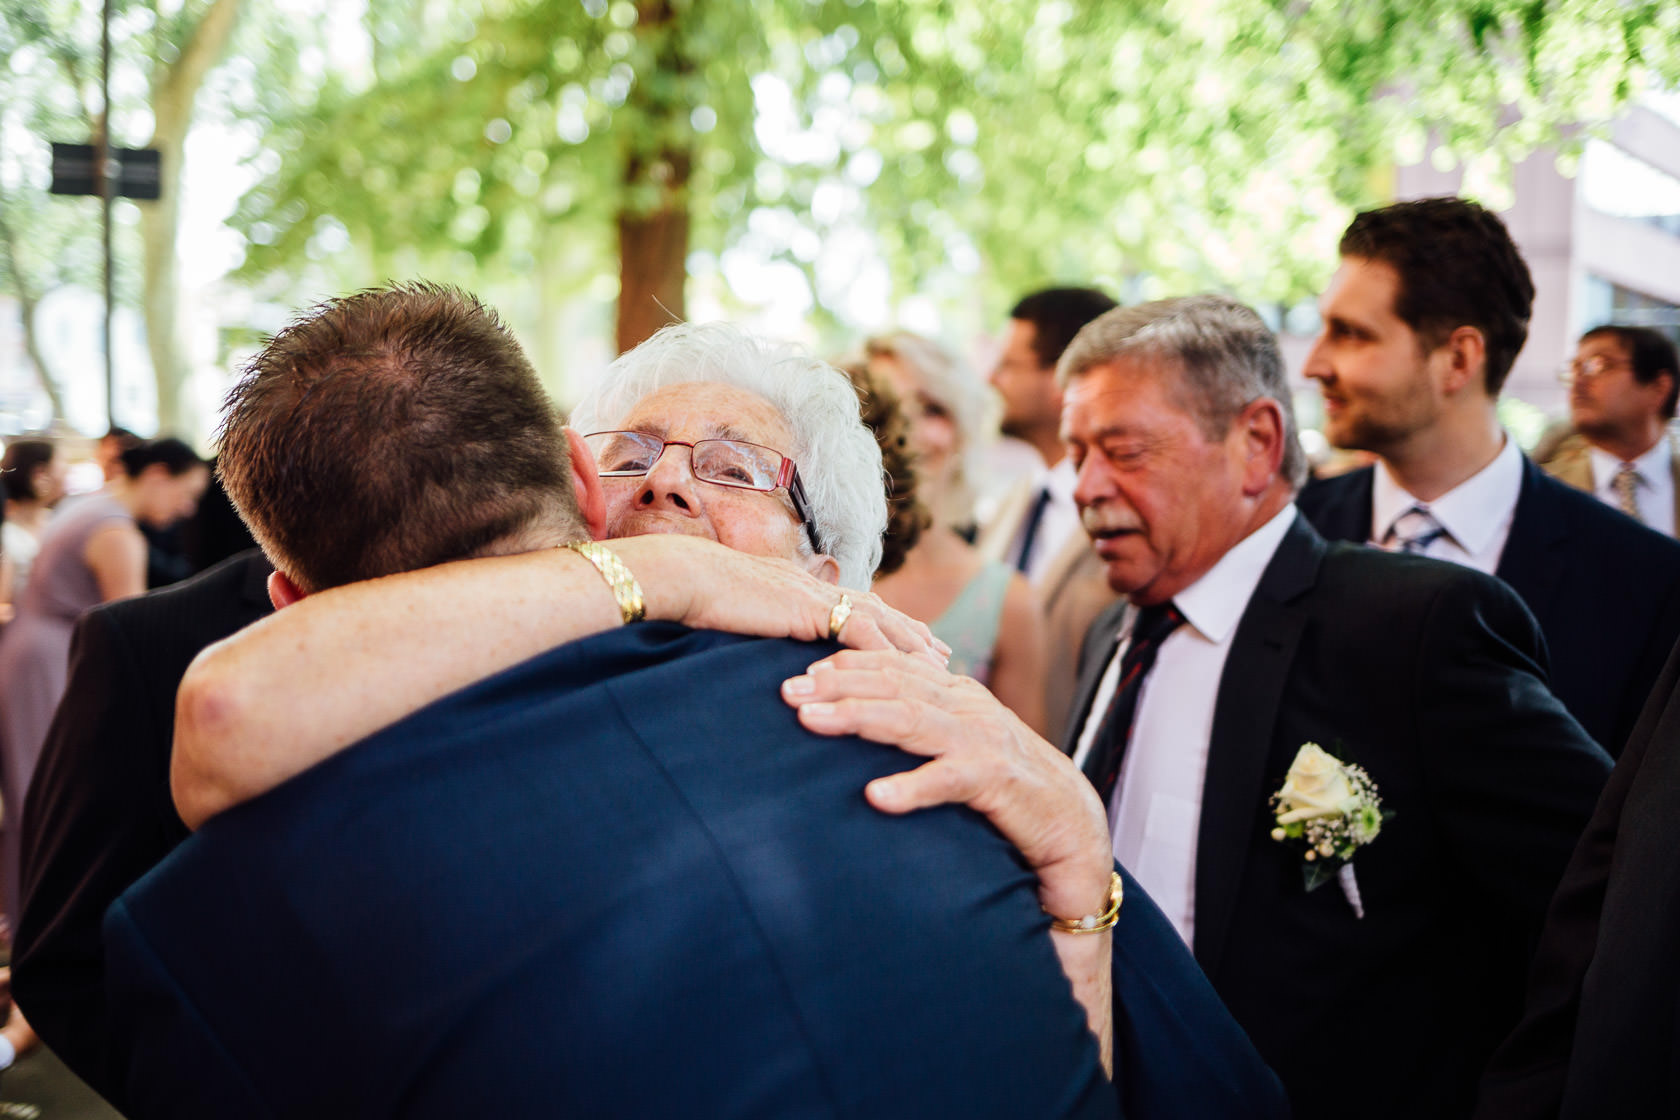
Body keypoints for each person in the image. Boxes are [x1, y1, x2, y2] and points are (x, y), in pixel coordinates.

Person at [159, 289, 1287, 1119]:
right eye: (633, 454)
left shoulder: (947, 752)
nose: (670, 482)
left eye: (738, 469)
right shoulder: (393, 740)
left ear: (830, 580)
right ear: (578, 500)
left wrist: (1082, 873)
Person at [963, 292, 1601, 1119]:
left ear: (1256, 444)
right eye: (1078, 452)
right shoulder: (1111, 632)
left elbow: (1602, 885)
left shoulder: (1413, 628)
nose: (1085, 486)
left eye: (1122, 450)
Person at [1297, 197, 1680, 755]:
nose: (1314, 364)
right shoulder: (1289, 529)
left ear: (1458, 359)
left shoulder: (1644, 581)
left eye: (1352, 333)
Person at [0, 438, 206, 928]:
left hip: (25, 654)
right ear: (158, 475)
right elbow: (134, 631)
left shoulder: (85, 508)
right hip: (51, 660)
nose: (187, 509)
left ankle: (24, 914)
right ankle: (43, 921)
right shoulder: (116, 533)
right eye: (186, 492)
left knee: (29, 788)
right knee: (46, 796)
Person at [861, 331, 1048, 731]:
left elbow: (1028, 772)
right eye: (889, 408)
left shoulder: (1009, 603)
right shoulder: (807, 568)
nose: (906, 431)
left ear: (962, 428)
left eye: (932, 409)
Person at [978, 287, 1121, 744]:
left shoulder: (1124, 516)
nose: (991, 380)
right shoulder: (1010, 503)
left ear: (1061, 380)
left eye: (1008, 365)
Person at [1540, 324, 1680, 536]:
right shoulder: (1543, 491)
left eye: (1599, 365)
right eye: (1575, 369)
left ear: (1659, 388)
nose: (1579, 382)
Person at [0, 439, 68, 603]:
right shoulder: (8, 533)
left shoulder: (60, 519)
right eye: (61, 464)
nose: (66, 472)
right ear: (39, 474)